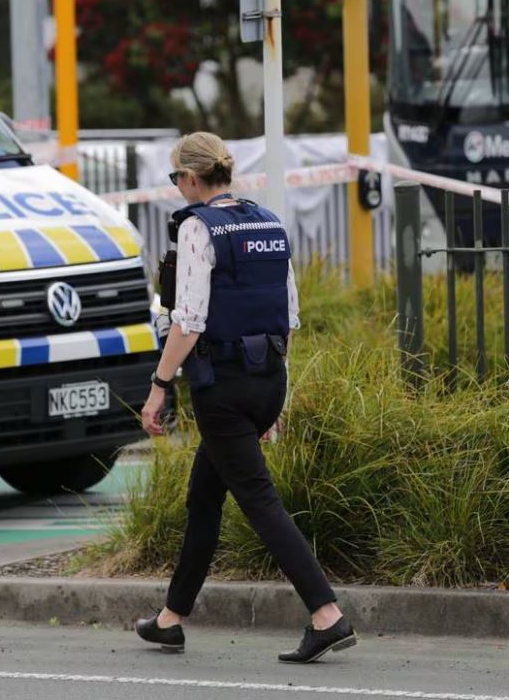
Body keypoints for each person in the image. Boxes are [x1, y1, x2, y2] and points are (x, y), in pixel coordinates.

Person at [136, 132, 357, 665]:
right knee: (204, 499)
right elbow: (292, 316)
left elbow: (187, 321)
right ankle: (171, 619)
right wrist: (270, 400)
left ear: (191, 178)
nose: (178, 187)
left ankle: (327, 615)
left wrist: (158, 387)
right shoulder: (269, 223)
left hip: (223, 389)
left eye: (176, 178)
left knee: (259, 501)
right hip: (267, 379)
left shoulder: (197, 228)